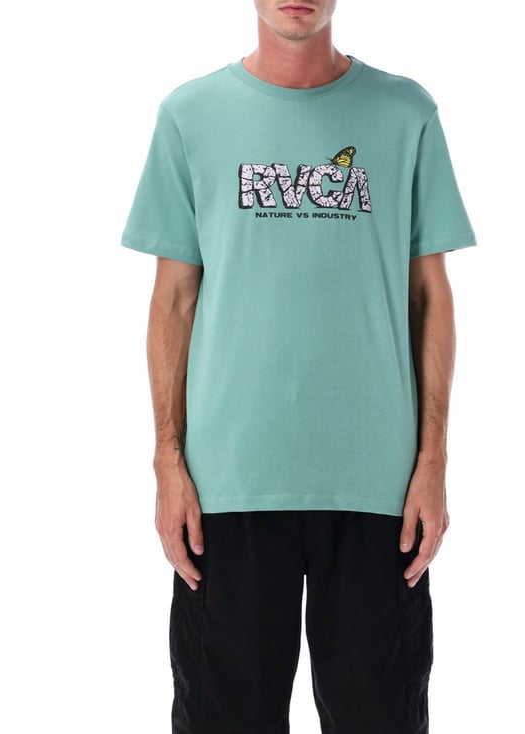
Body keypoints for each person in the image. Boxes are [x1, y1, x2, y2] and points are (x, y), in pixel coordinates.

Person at [121, 1, 477, 732]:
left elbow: (429, 294)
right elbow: (174, 301)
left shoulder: (406, 113)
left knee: (381, 717)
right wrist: (167, 460)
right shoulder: (190, 116)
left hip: (379, 487)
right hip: (227, 487)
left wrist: (433, 459)